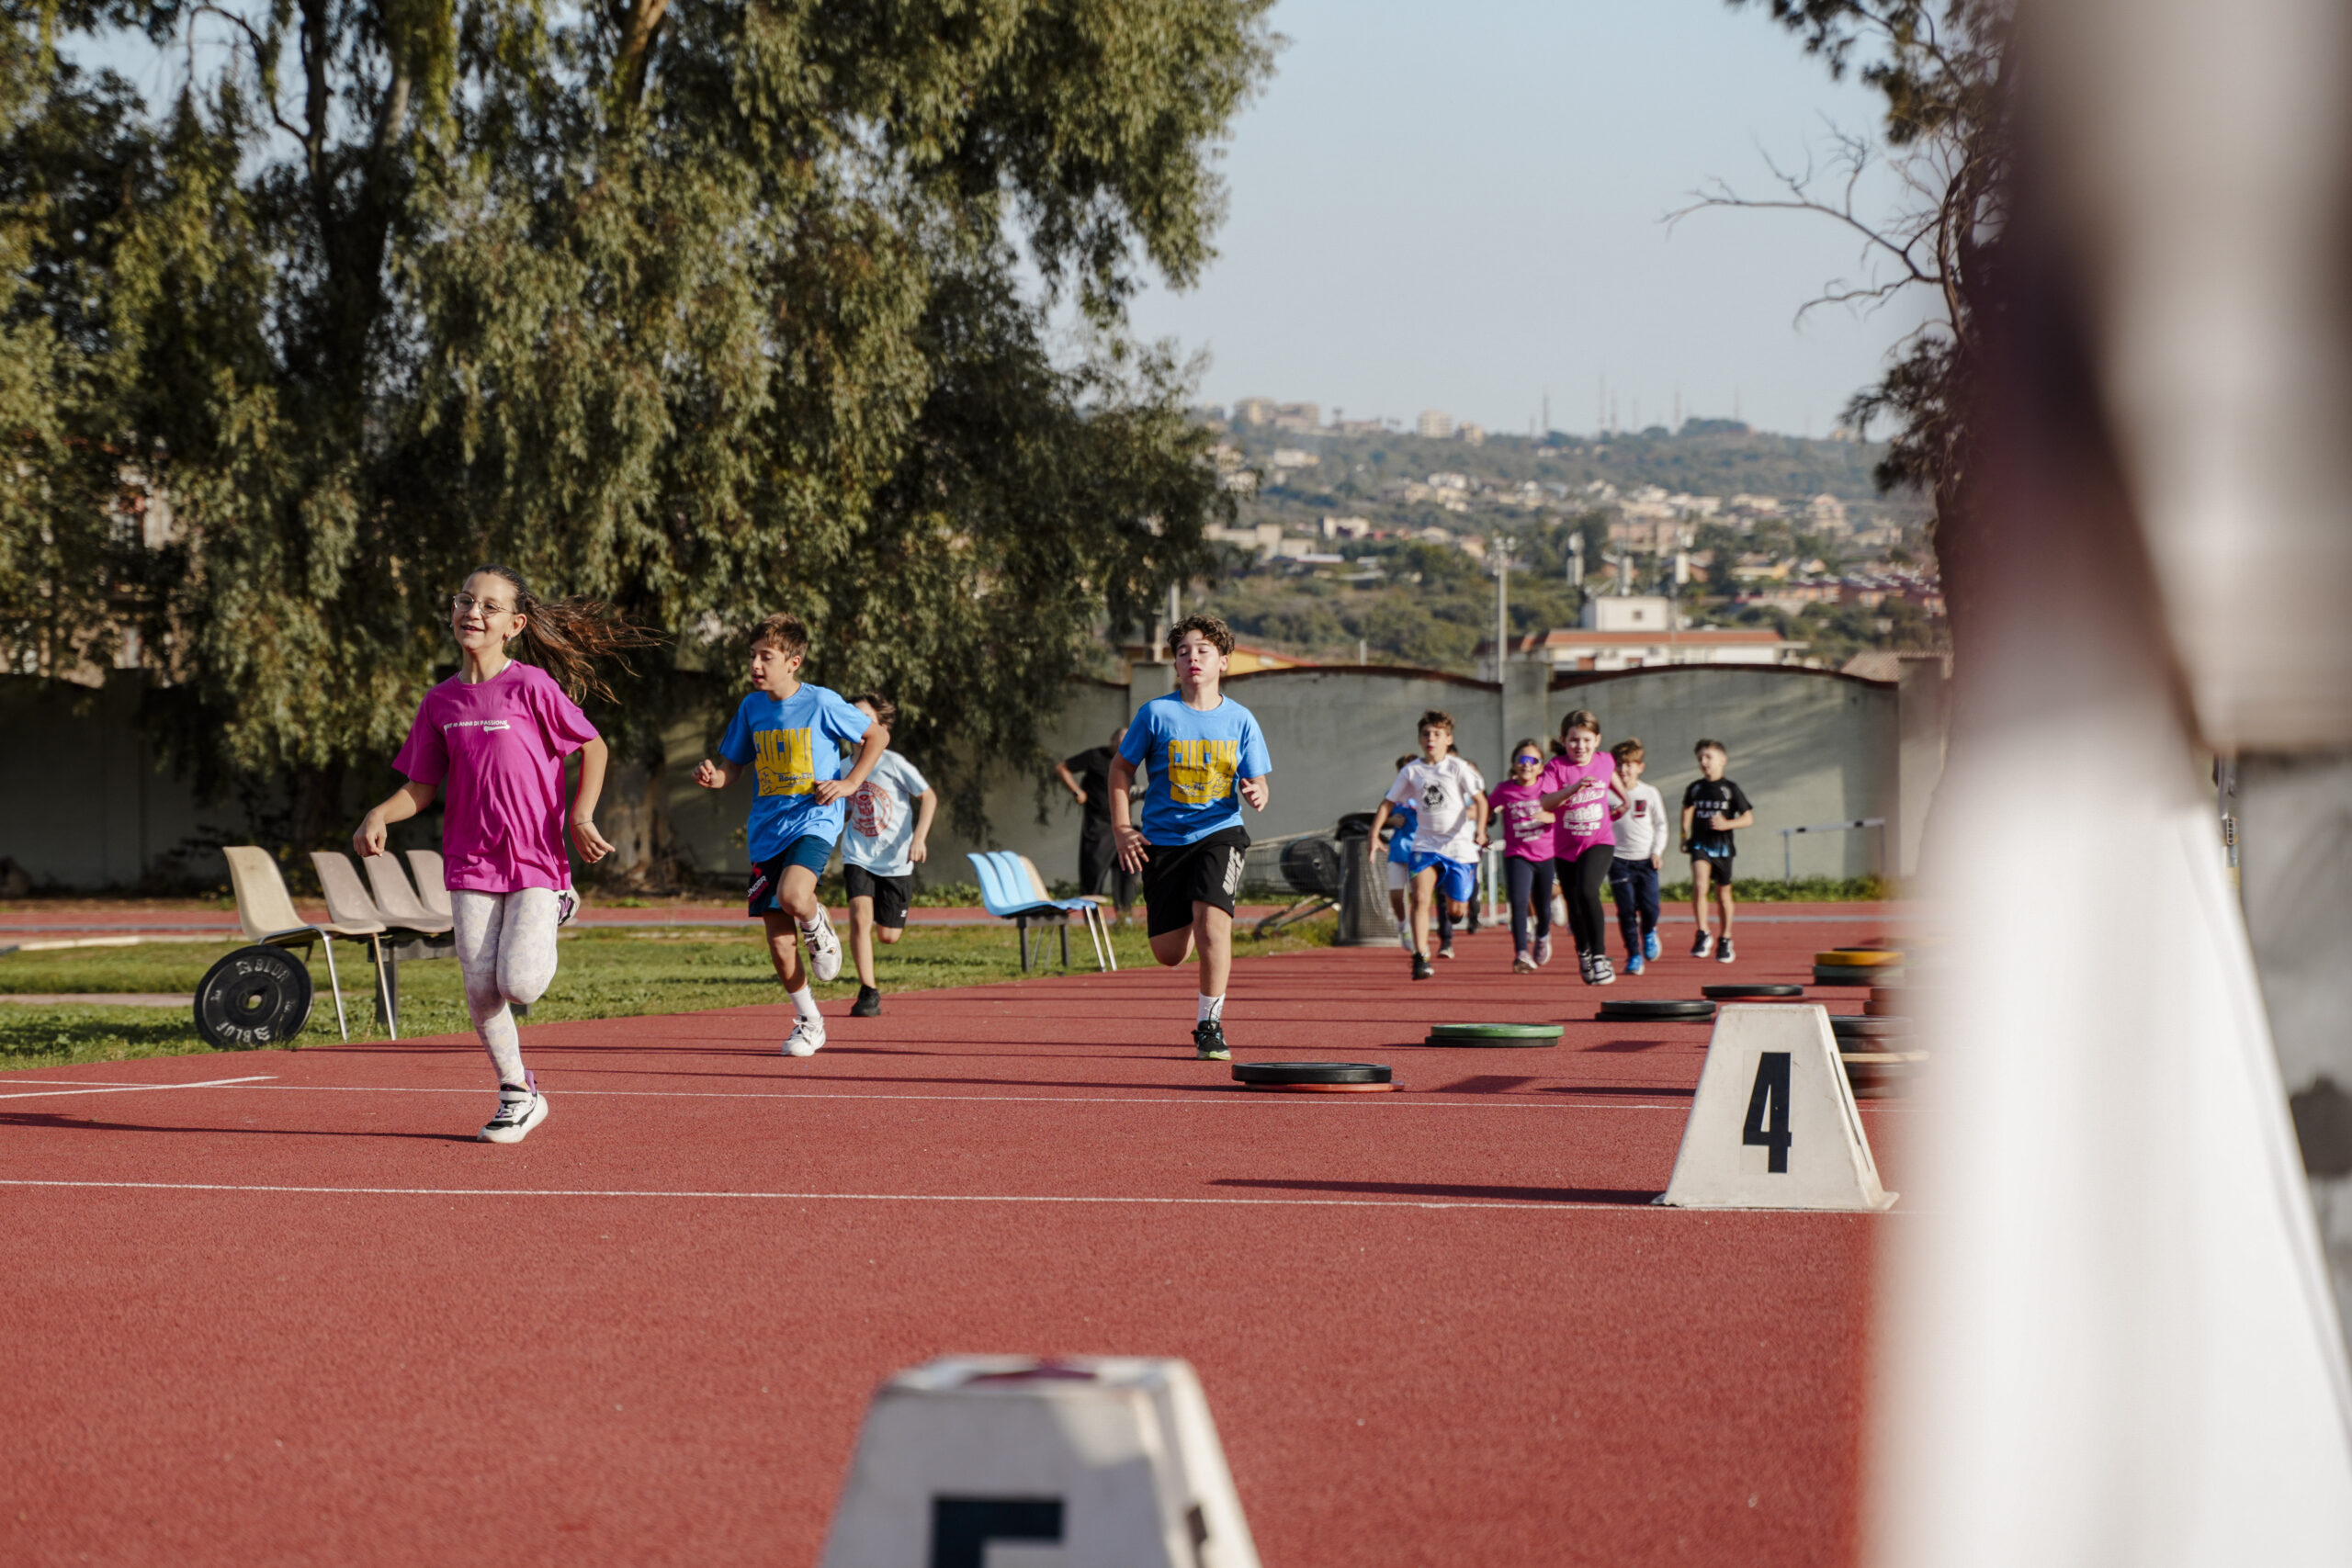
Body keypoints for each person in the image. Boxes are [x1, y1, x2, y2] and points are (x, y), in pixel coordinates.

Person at [353, 565, 650, 1144]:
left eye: (490, 606)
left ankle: (561, 902)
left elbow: (594, 746)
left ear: (514, 625)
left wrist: (581, 816)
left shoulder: (531, 686)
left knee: (521, 985)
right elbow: (421, 787)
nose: (473, 613)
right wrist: (379, 814)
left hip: (536, 858)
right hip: (470, 860)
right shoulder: (439, 701)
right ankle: (517, 1092)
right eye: (466, 601)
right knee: (480, 986)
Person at [692, 613, 890, 1056]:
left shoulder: (821, 702)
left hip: (814, 820)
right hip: (767, 830)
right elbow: (732, 769)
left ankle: (818, 925)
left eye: (766, 656)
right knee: (781, 943)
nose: (755, 665)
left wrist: (850, 783)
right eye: (752, 656)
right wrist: (713, 777)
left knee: (795, 895)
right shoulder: (751, 708)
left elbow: (876, 736)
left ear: (793, 662)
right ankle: (810, 1022)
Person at [1109, 614, 1273, 1062]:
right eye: (1183, 652)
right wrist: (1123, 828)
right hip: (1163, 841)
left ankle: (1210, 1025)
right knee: (1168, 953)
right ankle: (1182, 932)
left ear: (1223, 661)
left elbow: (1258, 779)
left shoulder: (1240, 719)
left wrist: (1258, 790)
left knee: (1213, 923)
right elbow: (1120, 769)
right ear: (1176, 665)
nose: (1192, 658)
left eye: (1203, 650)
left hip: (1220, 832)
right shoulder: (1156, 714)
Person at [1370, 710, 1487, 983]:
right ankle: (1421, 956)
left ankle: (1456, 911)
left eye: (1437, 734)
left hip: (1458, 847)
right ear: (1419, 739)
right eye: (1426, 734)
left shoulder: (1458, 768)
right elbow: (1388, 803)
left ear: (1448, 739)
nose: (1430, 739)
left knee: (1456, 910)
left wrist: (1481, 831)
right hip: (1425, 844)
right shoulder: (1412, 771)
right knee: (1420, 899)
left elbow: (1481, 801)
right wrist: (1374, 834)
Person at [839, 693, 935, 1018]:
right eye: (851, 718)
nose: (857, 725)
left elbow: (929, 797)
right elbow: (846, 810)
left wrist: (919, 838)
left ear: (881, 728)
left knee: (889, 936)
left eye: (865, 719)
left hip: (896, 860)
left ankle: (890, 920)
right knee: (859, 917)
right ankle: (868, 992)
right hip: (858, 855)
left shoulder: (893, 763)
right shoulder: (842, 768)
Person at [1539, 709, 1620, 986]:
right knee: (1574, 903)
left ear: (1597, 740)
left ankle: (1599, 956)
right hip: (1565, 847)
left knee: (1588, 891)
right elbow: (1545, 803)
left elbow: (1612, 779)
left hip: (1599, 841)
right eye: (1574, 740)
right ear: (1563, 740)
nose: (1580, 746)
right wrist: (1573, 788)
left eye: (1586, 740)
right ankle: (1583, 951)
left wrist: (1625, 799)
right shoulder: (1556, 767)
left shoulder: (1605, 760)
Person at [1680, 737, 1756, 964]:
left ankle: (1725, 938)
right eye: (1700, 758)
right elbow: (1687, 809)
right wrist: (1684, 834)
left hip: (1723, 847)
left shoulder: (1730, 789)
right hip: (1700, 844)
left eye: (1708, 757)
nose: (1704, 762)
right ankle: (1703, 932)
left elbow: (1748, 818)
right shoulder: (1695, 788)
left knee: (1723, 894)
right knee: (1700, 885)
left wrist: (1727, 824)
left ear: (1723, 760)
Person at [1487, 738, 1557, 973]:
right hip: (1517, 854)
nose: (1527, 764)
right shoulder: (1504, 789)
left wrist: (1551, 817)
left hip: (1545, 855)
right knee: (1518, 903)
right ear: (1514, 763)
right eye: (1522, 759)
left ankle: (1543, 936)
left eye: (1533, 760)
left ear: (1541, 766)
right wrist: (1483, 822)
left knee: (1542, 907)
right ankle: (1521, 953)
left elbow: (1565, 811)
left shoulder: (1548, 787)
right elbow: (1486, 809)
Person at [1054, 727, 1136, 923]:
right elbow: (1062, 768)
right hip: (1098, 826)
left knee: (1127, 870)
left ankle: (1125, 918)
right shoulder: (1095, 756)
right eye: (1122, 738)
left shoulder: (1127, 762)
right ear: (1113, 739)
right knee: (1093, 872)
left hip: (1121, 825)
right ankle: (1092, 920)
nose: (1125, 743)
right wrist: (1077, 792)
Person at [1606, 738, 1667, 975]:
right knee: (1626, 910)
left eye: (1629, 764)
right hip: (1618, 861)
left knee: (1650, 908)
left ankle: (1649, 931)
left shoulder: (1649, 793)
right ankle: (1633, 955)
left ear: (1640, 767)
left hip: (1646, 861)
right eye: (1619, 765)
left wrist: (1656, 851)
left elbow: (1661, 825)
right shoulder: (1607, 795)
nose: (1624, 770)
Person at [1380, 753, 1419, 953]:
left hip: (1419, 851)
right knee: (1396, 894)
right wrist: (1391, 821)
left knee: (1417, 896)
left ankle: (1417, 933)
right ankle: (1403, 925)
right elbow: (1381, 817)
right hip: (1398, 849)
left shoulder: (1426, 793)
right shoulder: (1393, 794)